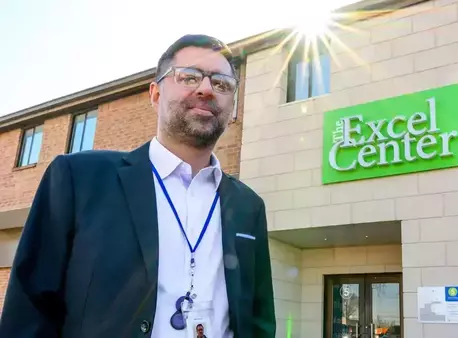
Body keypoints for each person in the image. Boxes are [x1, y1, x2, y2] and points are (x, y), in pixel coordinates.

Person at [0, 34, 276, 338]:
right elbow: (29, 312)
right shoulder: (78, 179)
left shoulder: (249, 206)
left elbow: (258, 319)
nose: (207, 89)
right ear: (155, 94)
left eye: (222, 84)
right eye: (189, 77)